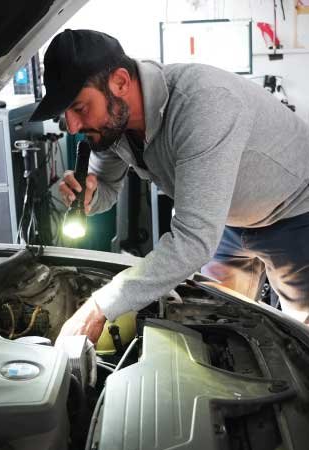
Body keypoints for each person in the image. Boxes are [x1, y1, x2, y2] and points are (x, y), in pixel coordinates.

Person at [29, 29, 309, 341]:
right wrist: (88, 197)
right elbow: (106, 187)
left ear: (120, 82)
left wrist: (100, 306)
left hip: (295, 210)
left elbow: (193, 240)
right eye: (66, 115)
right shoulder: (113, 124)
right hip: (225, 219)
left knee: (302, 335)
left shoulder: (203, 105)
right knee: (217, 327)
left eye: (80, 108)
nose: (74, 126)